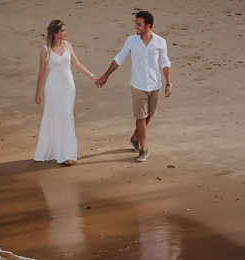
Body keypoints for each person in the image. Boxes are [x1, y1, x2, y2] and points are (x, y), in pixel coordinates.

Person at [97, 10, 171, 163]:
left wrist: (168, 83)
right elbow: (119, 58)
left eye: (139, 24)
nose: (136, 27)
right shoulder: (131, 41)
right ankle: (143, 149)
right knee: (140, 117)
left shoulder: (160, 42)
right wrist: (105, 76)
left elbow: (165, 62)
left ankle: (135, 137)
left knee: (149, 115)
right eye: (136, 24)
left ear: (148, 26)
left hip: (155, 84)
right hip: (137, 85)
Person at [34, 20, 100, 166]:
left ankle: (67, 154)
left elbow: (77, 64)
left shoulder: (68, 45)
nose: (65, 32)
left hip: (68, 85)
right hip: (53, 86)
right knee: (54, 115)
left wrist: (92, 76)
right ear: (55, 33)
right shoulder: (46, 50)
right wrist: (38, 93)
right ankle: (53, 150)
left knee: (66, 115)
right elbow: (42, 73)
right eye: (63, 30)